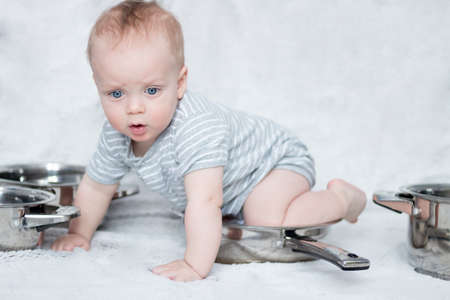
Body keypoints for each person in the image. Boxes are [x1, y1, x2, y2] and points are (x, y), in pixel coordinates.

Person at [51, 0, 366, 282]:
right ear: (98, 86)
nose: (134, 108)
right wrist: (79, 233)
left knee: (264, 219)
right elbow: (95, 187)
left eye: (151, 91)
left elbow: (205, 201)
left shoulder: (195, 127)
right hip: (235, 184)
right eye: (116, 93)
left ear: (180, 82)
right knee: (238, 216)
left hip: (275, 164)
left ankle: (342, 198)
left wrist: (195, 264)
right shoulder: (115, 134)